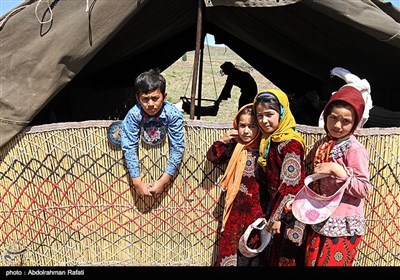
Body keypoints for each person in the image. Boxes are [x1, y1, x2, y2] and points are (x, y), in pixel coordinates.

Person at [303, 85, 371, 266]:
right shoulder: (324, 145)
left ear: (355, 122)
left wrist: (338, 171)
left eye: (346, 121)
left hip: (342, 225)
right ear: (326, 117)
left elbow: (363, 188)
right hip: (320, 218)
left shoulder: (354, 149)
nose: (338, 126)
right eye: (333, 118)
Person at [206, 103, 269, 266]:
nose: (246, 131)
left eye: (252, 126)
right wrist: (224, 140)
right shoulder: (236, 147)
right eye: (242, 125)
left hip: (257, 213)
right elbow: (213, 157)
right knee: (229, 253)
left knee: (252, 252)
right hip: (235, 212)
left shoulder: (265, 150)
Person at [253, 89, 307, 266]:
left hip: (290, 213)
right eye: (259, 115)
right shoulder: (269, 141)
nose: (264, 120)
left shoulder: (291, 144)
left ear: (282, 113)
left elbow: (291, 185)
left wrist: (277, 217)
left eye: (269, 114)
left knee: (287, 258)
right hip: (276, 209)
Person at [120, 68, 185, 197]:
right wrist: (137, 182)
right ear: (137, 98)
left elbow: (177, 147)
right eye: (145, 99)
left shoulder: (172, 114)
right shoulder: (134, 114)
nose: (150, 104)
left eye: (155, 98)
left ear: (164, 97)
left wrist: (164, 180)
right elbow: (129, 146)